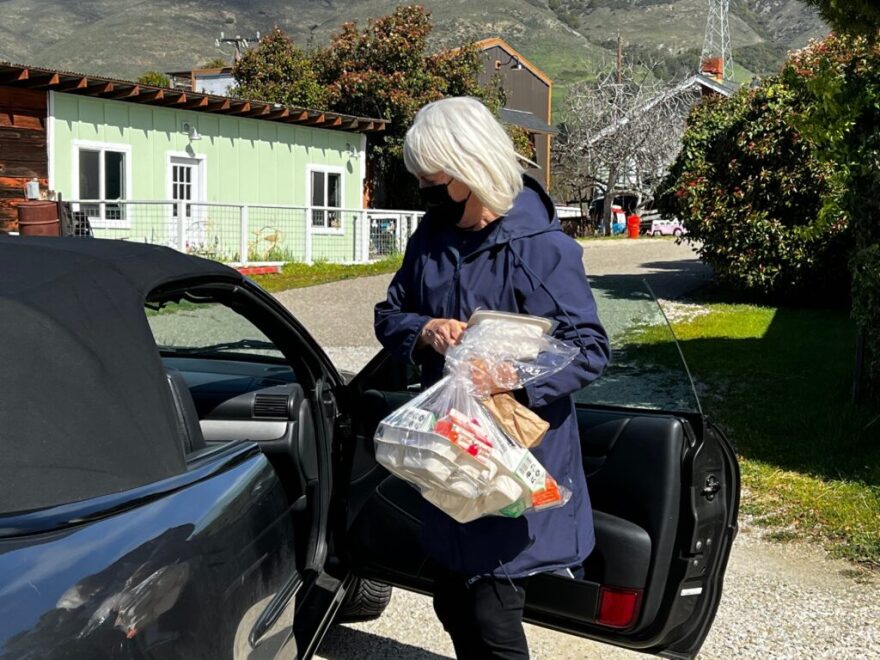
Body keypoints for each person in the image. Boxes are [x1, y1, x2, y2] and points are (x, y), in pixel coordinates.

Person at [374, 96, 610, 660]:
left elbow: (590, 349)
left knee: (490, 607)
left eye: (433, 181)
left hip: (511, 459)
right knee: (452, 598)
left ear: (471, 168)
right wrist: (425, 329)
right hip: (448, 451)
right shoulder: (430, 238)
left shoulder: (541, 248)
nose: (424, 192)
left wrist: (513, 376)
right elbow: (390, 314)